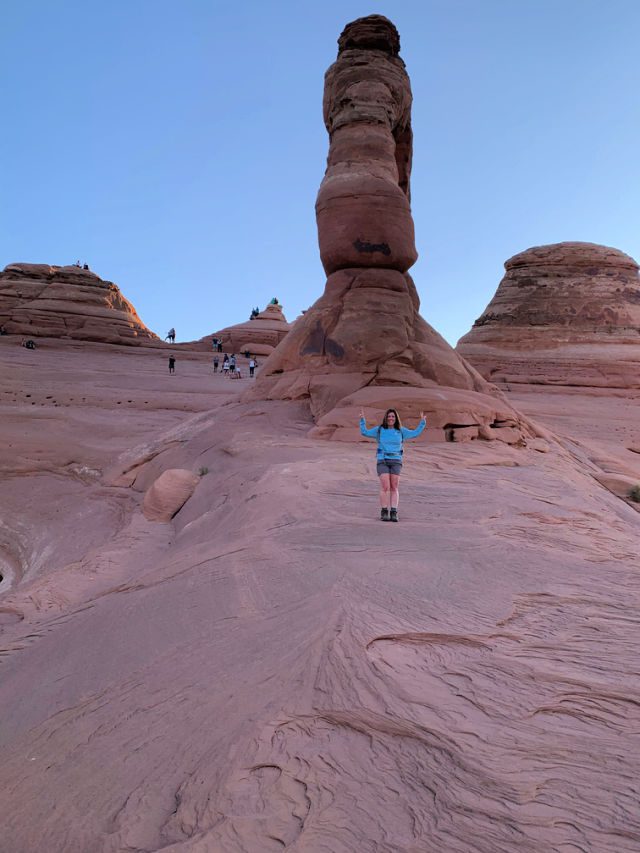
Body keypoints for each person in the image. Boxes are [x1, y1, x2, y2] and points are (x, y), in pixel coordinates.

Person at [359, 408, 426, 522]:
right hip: (383, 460)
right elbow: (364, 432)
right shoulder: (380, 430)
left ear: (396, 419)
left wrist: (422, 423)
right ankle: (384, 511)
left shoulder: (401, 430)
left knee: (394, 487)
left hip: (396, 461)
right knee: (385, 486)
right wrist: (362, 420)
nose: (391, 418)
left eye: (393, 417)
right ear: (386, 418)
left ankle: (394, 511)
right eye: (389, 416)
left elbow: (415, 434)